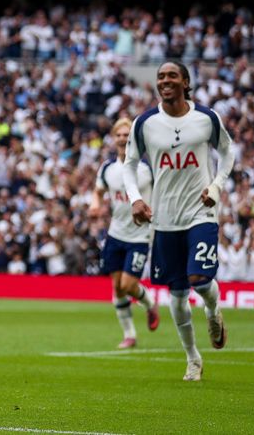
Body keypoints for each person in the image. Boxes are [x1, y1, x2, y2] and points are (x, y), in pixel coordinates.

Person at [124, 61, 234, 382]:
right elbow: (130, 165)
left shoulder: (206, 118)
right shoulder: (145, 123)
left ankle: (213, 312)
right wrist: (135, 198)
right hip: (165, 219)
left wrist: (216, 185)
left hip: (201, 212)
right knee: (176, 296)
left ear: (186, 82)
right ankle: (193, 358)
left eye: (172, 76)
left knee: (199, 278)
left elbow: (228, 152)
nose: (165, 81)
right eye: (161, 77)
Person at [88, 117, 160, 349]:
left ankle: (149, 304)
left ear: (133, 138)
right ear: (113, 138)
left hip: (139, 235)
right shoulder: (108, 168)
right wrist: (95, 203)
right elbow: (98, 191)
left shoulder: (146, 169)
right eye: (118, 134)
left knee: (129, 285)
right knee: (117, 287)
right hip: (116, 233)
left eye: (126, 134)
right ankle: (129, 334)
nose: (122, 138)